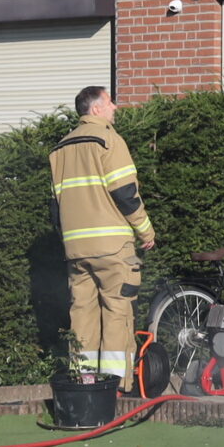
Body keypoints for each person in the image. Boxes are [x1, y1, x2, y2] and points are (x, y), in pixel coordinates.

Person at [47, 85, 156, 387]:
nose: (115, 108)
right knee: (117, 311)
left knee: (81, 314)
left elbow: (55, 207)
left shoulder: (60, 149)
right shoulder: (109, 139)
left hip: (76, 249)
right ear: (95, 109)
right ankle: (114, 385)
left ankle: (83, 381)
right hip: (112, 247)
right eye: (110, 102)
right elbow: (125, 193)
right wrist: (145, 230)